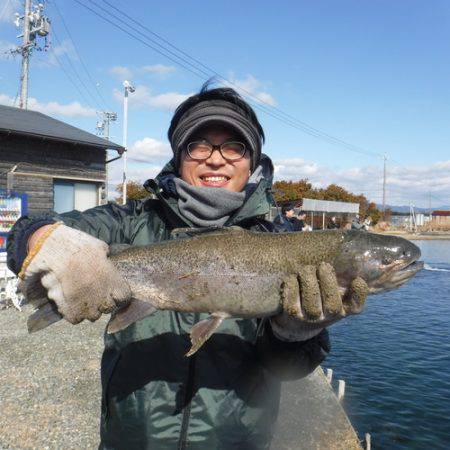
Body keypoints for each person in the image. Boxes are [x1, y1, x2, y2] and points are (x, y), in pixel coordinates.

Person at [7, 85, 367, 450]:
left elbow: (288, 370)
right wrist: (45, 240)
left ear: (251, 160)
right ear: (179, 156)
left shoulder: (280, 240)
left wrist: (296, 334)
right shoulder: (132, 222)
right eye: (199, 145)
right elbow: (25, 231)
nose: (215, 159)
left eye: (234, 146)